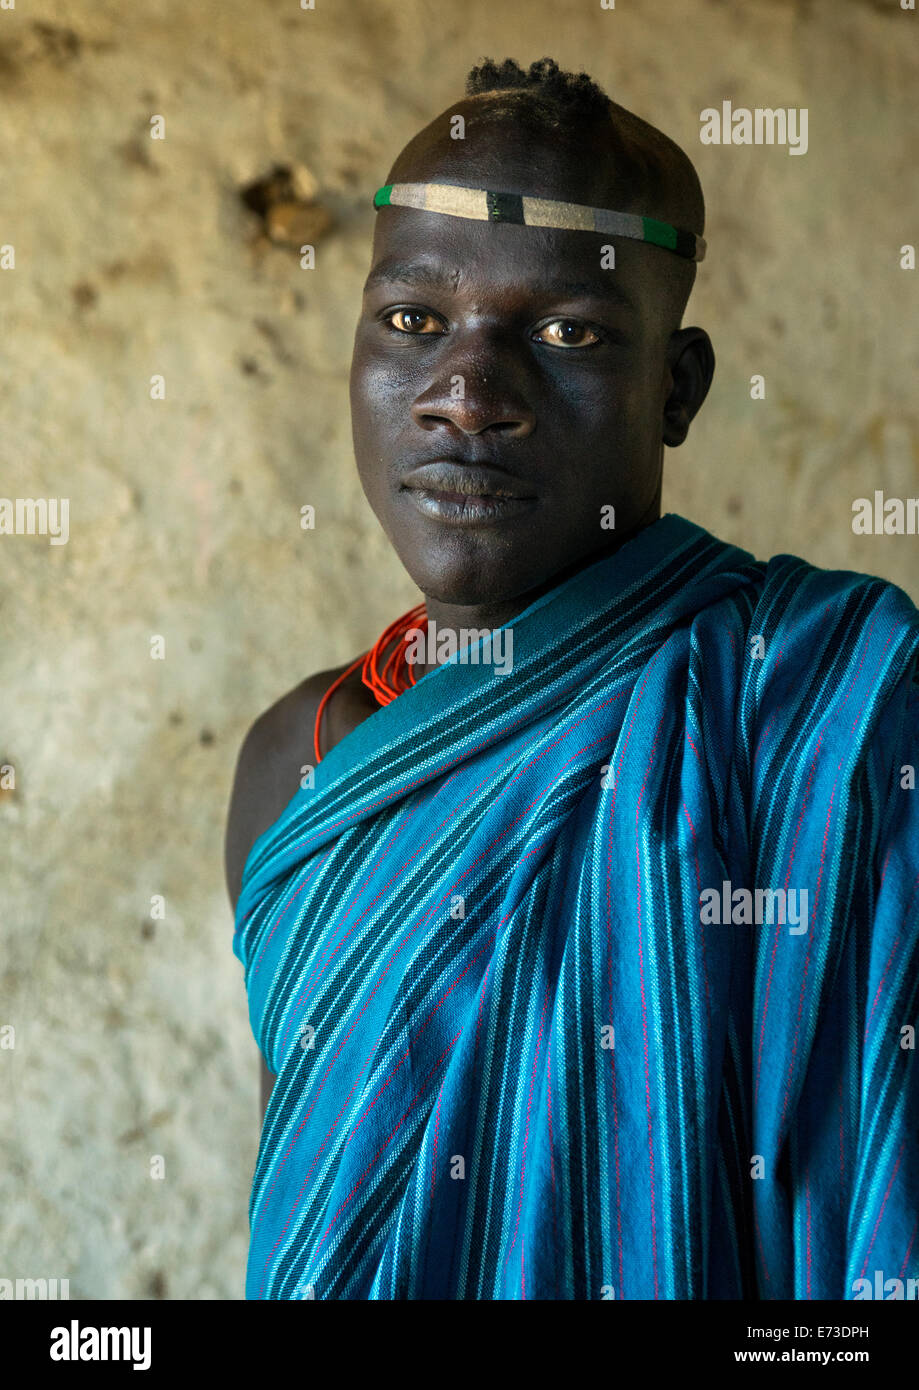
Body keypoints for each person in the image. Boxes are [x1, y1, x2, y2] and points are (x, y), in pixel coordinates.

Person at [224, 57, 919, 1300]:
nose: (468, 395)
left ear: (677, 387)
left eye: (567, 333)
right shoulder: (302, 758)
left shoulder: (823, 705)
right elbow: (316, 1206)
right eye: (412, 320)